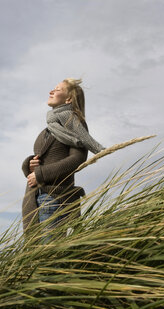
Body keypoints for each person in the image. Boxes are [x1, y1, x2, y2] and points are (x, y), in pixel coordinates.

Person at [21, 78, 105, 236]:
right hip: (37, 198)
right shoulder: (51, 126)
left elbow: (77, 159)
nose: (51, 91)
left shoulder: (72, 122)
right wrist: (30, 163)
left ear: (69, 99)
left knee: (49, 257)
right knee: (38, 256)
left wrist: (40, 174)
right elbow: (48, 156)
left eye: (57, 89)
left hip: (53, 198)